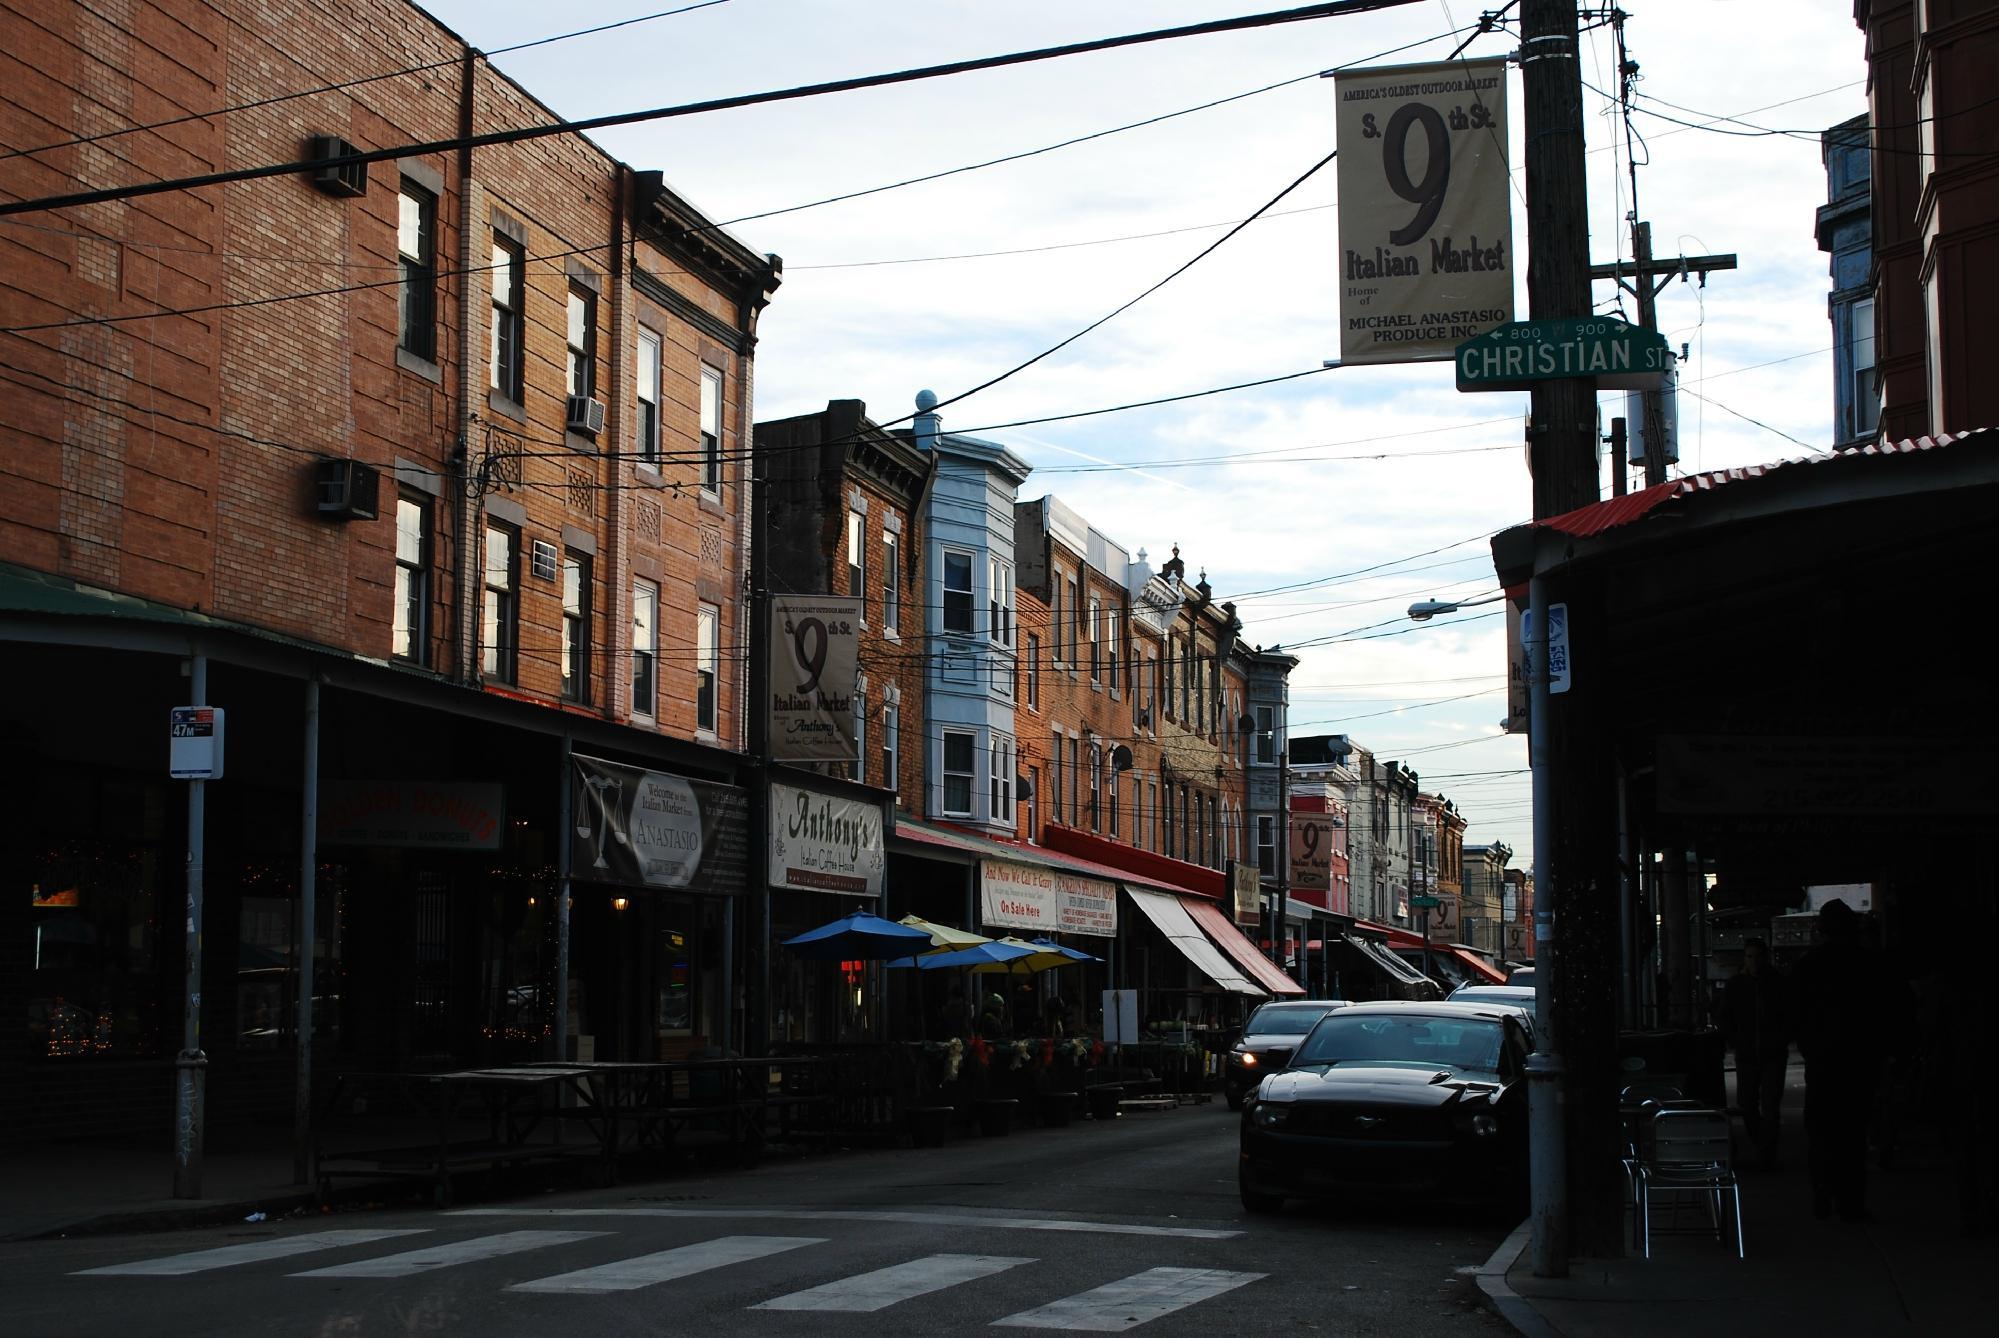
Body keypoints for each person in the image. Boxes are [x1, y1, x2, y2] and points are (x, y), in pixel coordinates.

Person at [1794, 898, 1883, 1221]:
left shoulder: (1809, 965)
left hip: (1822, 1062)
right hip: (1858, 1062)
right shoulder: (1868, 964)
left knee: (1821, 1131)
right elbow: (1885, 1014)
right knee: (1852, 1134)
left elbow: (1795, 1013)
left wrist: (1810, 1046)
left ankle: (1821, 1194)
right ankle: (1850, 1203)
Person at [1721, 938, 1789, 1169]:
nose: (1754, 961)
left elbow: (1788, 1015)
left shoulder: (1776, 984)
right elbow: (1725, 1015)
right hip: (1749, 1052)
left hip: (1771, 1052)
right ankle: (1764, 1146)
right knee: (1747, 1104)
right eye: (1750, 957)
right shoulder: (1738, 985)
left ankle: (1766, 1150)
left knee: (1769, 1105)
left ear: (1765, 957)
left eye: (1757, 956)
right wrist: (1734, 1039)